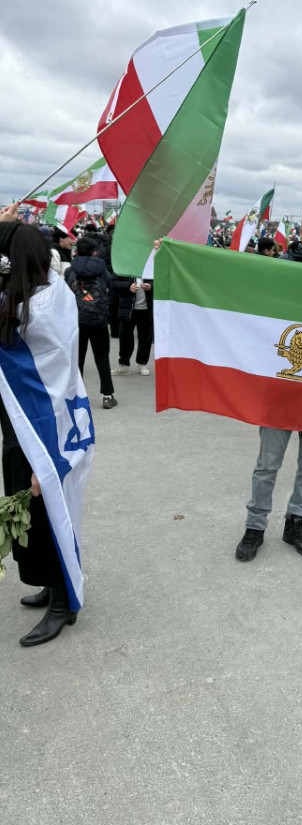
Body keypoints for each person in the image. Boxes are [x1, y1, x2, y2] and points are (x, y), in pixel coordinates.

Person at [0, 205, 93, 646]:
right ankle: (54, 589)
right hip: (50, 425)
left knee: (46, 512)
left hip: (40, 433)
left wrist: (44, 459)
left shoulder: (28, 315)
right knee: (44, 517)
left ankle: (62, 603)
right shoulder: (53, 290)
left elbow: (40, 393)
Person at [235, 203, 302, 563]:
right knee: (267, 464)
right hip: (279, 388)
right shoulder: (275, 272)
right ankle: (255, 525)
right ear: (301, 233)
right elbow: (229, 282)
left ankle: (296, 521)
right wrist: (171, 254)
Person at [65, 236, 117, 409]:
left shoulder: (70, 271)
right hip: (99, 321)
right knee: (102, 358)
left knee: (77, 359)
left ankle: (77, 396)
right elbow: (111, 287)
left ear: (77, 251)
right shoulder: (102, 269)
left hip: (77, 322)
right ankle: (107, 396)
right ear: (95, 251)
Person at [112, 272, 154, 376]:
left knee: (145, 338)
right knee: (125, 336)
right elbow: (113, 282)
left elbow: (162, 280)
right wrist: (128, 286)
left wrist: (151, 286)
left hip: (146, 309)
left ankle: (142, 364)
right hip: (127, 308)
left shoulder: (149, 265)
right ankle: (123, 365)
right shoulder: (124, 266)